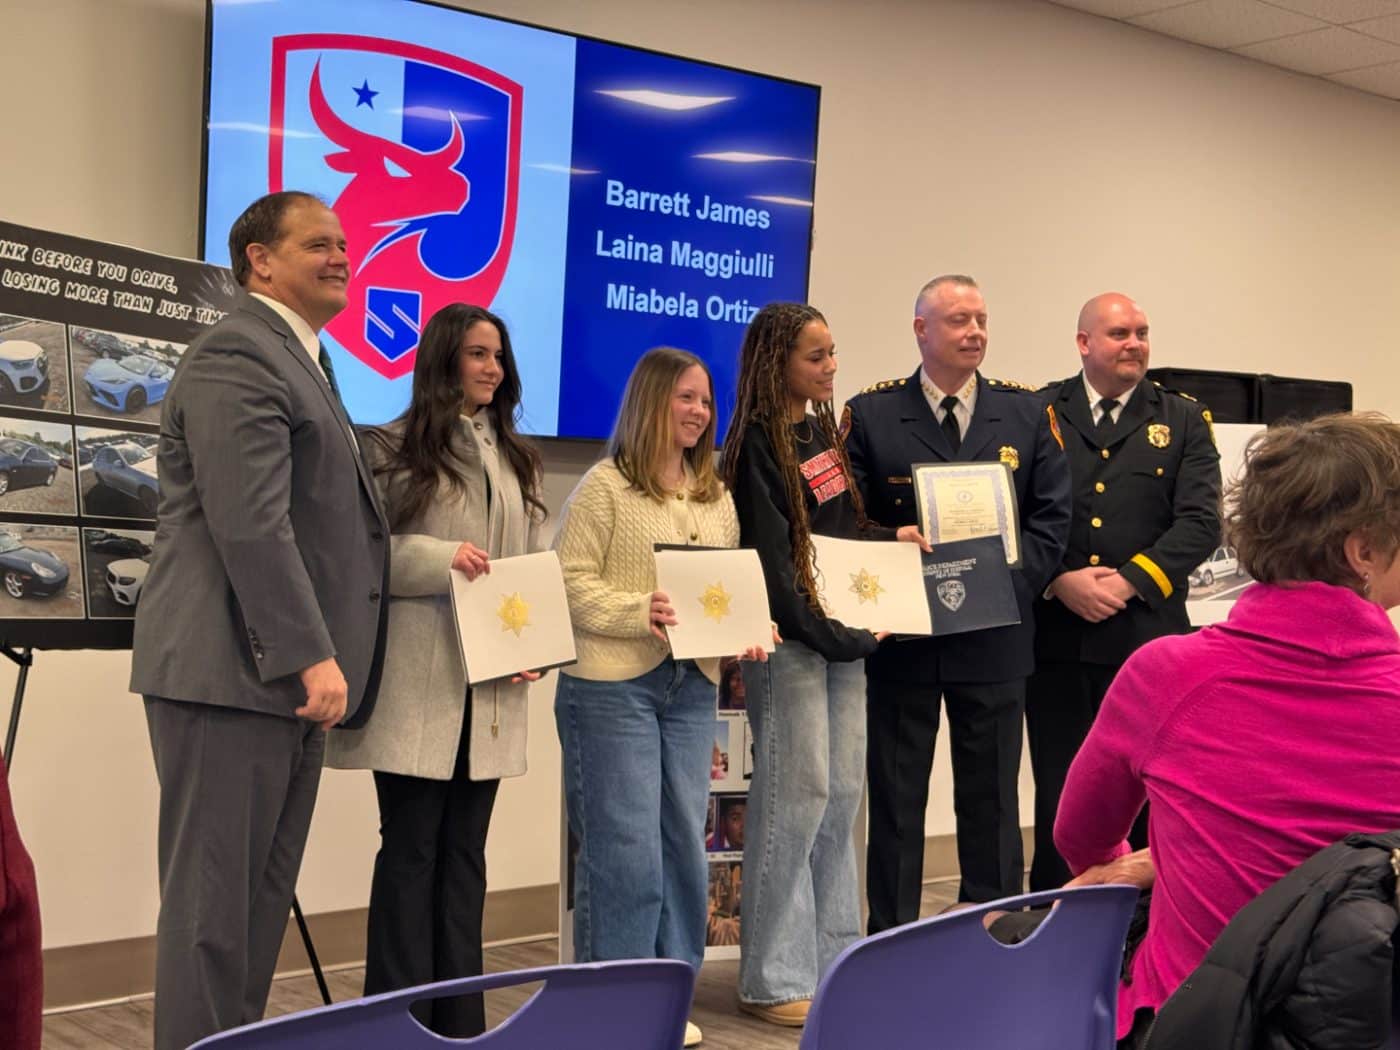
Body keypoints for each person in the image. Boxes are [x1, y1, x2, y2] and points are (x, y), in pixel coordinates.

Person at [130, 191, 389, 1050]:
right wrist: (311, 654)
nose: (341, 255)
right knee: (213, 919)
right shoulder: (238, 353)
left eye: (345, 243)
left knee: (252, 913)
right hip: (232, 673)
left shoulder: (303, 358)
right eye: (317, 243)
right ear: (259, 261)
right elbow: (251, 524)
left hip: (277, 682)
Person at [1053, 412, 1400, 1048]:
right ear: (1365, 552)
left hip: (1197, 1022)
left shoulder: (1167, 676)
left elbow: (1082, 838)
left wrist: (1174, 862)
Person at [325, 304, 544, 1037]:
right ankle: (395, 1024)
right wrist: (437, 556)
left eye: (499, 357)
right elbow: (358, 555)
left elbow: (524, 574)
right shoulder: (388, 445)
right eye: (479, 354)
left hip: (489, 690)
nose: (493, 369)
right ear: (444, 358)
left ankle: (459, 1024)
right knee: (411, 853)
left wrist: (530, 647)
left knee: (466, 859)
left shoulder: (516, 456)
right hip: (419, 685)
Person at [721, 301, 927, 1024]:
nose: (831, 366)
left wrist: (887, 538)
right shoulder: (754, 441)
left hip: (842, 640)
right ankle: (774, 977)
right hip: (797, 645)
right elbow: (776, 569)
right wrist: (841, 634)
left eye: (833, 352)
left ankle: (833, 960)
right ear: (778, 361)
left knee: (841, 797)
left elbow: (842, 531)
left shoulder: (819, 432)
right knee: (795, 800)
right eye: (816, 356)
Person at [844, 274, 1071, 928]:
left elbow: (1052, 521)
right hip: (905, 638)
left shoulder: (1027, 413)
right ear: (922, 329)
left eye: (981, 319)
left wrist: (1003, 590)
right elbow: (849, 521)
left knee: (993, 797)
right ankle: (889, 933)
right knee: (895, 796)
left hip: (996, 634)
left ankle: (995, 926)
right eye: (958, 321)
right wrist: (893, 545)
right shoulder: (873, 413)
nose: (974, 332)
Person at [553, 346, 764, 1048]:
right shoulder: (604, 487)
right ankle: (612, 1005)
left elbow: (723, 591)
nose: (700, 412)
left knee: (682, 845)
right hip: (612, 686)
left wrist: (747, 628)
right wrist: (637, 609)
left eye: (705, 400)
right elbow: (568, 581)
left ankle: (668, 997)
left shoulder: (715, 497)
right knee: (626, 849)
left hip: (690, 685)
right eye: (685, 398)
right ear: (651, 402)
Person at [1026, 293, 1220, 891]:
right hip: (1057, 636)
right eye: (1119, 334)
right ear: (1085, 342)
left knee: (1148, 790)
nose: (1134, 343)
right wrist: (1059, 579)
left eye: (1141, 332)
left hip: (1146, 641)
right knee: (1061, 787)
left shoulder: (1183, 418)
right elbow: (1020, 511)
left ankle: (1140, 921)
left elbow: (1201, 522)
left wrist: (1130, 581)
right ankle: (1053, 915)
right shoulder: (1039, 412)